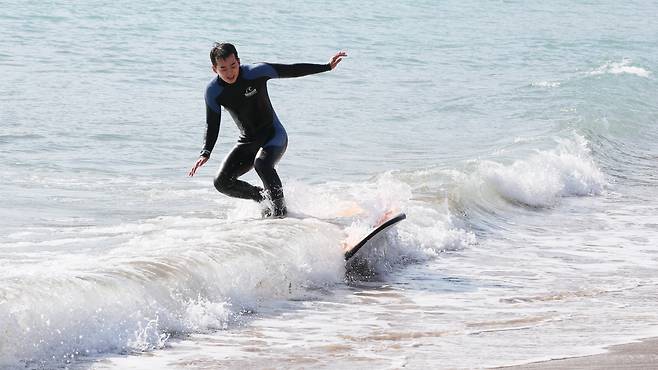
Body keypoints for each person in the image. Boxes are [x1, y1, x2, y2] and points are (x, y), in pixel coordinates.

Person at [188, 42, 346, 218]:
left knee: (262, 164)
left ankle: (280, 214)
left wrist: (326, 66)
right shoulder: (213, 91)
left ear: (239, 61)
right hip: (247, 141)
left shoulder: (256, 72)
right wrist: (206, 152)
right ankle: (263, 198)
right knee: (222, 182)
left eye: (233, 65)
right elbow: (212, 123)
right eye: (223, 69)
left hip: (274, 135)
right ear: (214, 69)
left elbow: (292, 70)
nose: (230, 72)